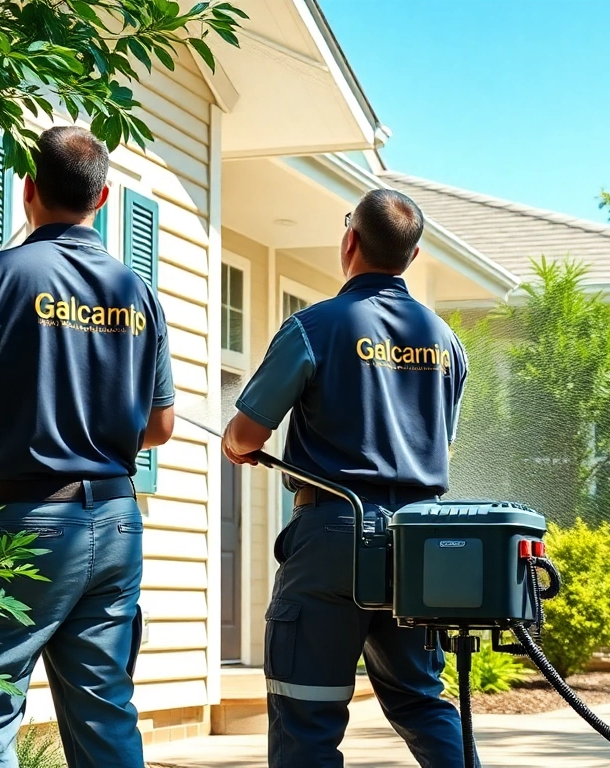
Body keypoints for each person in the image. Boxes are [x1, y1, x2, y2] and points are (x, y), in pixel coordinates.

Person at [0, 125, 174, 768]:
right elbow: (160, 428)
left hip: (21, 523)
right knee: (104, 713)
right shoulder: (140, 294)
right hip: (115, 523)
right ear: (102, 199)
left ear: (27, 189)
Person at [223, 188, 469, 767]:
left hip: (334, 535)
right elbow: (438, 443)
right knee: (423, 702)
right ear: (411, 257)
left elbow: (247, 434)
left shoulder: (315, 326)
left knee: (307, 712)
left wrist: (234, 444)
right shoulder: (446, 341)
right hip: (419, 544)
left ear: (349, 241)